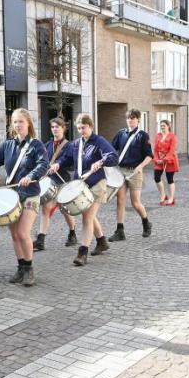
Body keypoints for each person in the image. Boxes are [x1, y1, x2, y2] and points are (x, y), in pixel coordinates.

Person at [0, 108, 49, 286]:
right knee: (14, 234)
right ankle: (20, 268)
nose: (17, 125)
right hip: (12, 195)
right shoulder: (7, 145)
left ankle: (29, 269)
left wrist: (31, 176)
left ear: (28, 123)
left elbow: (44, 164)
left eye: (21, 121)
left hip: (30, 195)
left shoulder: (37, 145)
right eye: (14, 122)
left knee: (22, 232)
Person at [51, 113, 118, 266]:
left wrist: (101, 161)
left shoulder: (99, 141)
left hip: (96, 184)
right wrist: (58, 164)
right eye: (79, 128)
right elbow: (65, 158)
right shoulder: (76, 144)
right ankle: (101, 241)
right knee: (90, 215)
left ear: (91, 127)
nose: (81, 131)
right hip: (80, 185)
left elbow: (113, 156)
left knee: (87, 217)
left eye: (84, 128)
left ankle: (82, 252)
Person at [109, 109, 153, 241]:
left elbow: (149, 155)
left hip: (135, 171)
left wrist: (141, 166)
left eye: (133, 118)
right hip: (120, 171)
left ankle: (146, 223)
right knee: (120, 200)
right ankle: (120, 231)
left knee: (135, 202)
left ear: (138, 120)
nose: (130, 120)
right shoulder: (121, 133)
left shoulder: (143, 135)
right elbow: (112, 149)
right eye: (128, 118)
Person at [34, 117, 77, 251]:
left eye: (57, 127)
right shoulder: (47, 144)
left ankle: (72, 233)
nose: (54, 129)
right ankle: (41, 240)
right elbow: (42, 160)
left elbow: (68, 159)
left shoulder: (69, 145)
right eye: (52, 127)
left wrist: (59, 164)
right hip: (49, 180)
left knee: (65, 209)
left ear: (63, 128)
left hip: (62, 181)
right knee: (46, 208)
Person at [153, 119, 179, 206]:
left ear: (168, 126)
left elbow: (172, 150)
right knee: (156, 177)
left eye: (164, 125)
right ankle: (163, 195)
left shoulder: (172, 136)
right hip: (159, 159)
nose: (162, 127)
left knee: (169, 179)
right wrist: (156, 159)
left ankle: (171, 198)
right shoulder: (158, 135)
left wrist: (164, 160)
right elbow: (155, 149)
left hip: (170, 160)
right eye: (161, 125)